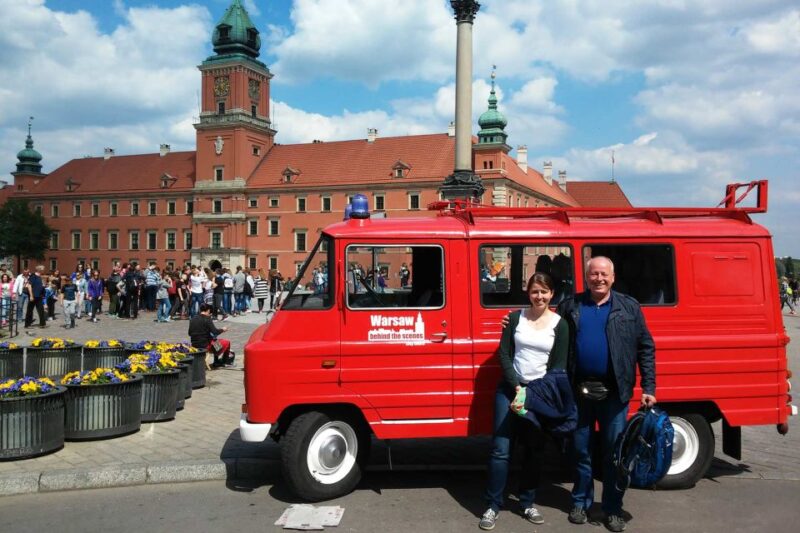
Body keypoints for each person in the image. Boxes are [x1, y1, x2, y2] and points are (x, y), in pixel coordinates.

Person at [557, 256, 656, 532]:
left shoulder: (629, 307)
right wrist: (513, 321)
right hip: (579, 391)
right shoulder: (570, 306)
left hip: (615, 393)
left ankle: (612, 508)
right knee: (581, 451)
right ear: (586, 277)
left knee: (615, 454)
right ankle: (581, 502)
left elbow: (645, 347)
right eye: (594, 274)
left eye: (604, 274)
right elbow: (551, 340)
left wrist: (649, 387)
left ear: (612, 277)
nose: (598, 279)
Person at [479, 272, 569, 531]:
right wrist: (517, 387)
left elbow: (558, 365)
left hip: (539, 394)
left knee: (534, 450)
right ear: (528, 293)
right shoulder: (515, 318)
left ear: (552, 294)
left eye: (544, 291)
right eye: (534, 291)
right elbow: (504, 354)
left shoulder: (560, 325)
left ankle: (527, 502)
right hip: (510, 390)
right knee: (500, 449)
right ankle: (493, 505)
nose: (539, 296)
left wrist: (533, 393)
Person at [188, 303, 234, 368]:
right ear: (208, 310)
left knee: (214, 340)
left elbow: (189, 333)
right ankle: (225, 362)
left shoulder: (193, 319)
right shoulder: (207, 319)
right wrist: (223, 329)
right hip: (205, 345)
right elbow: (215, 332)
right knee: (226, 342)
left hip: (194, 344)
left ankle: (216, 362)